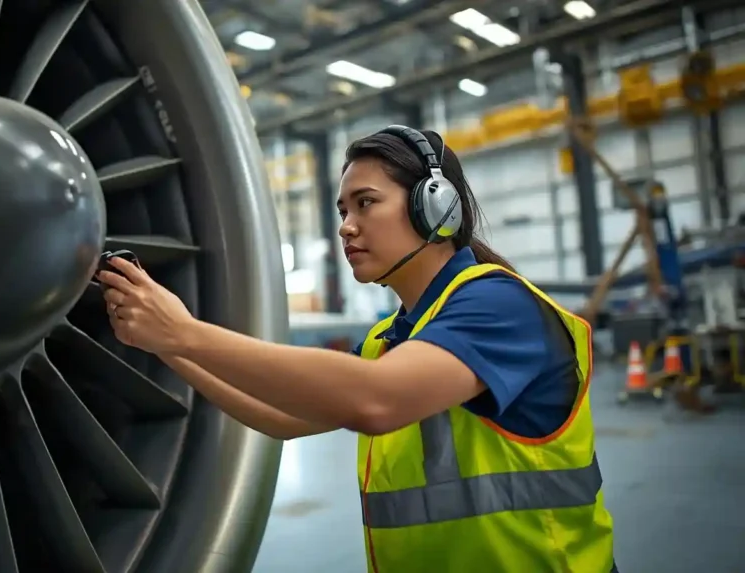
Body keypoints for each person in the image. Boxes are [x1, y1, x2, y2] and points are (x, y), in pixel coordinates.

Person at [96, 125, 616, 572]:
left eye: (366, 203)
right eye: (343, 209)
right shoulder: (395, 335)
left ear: (436, 207)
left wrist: (187, 332)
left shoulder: (499, 303)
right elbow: (279, 418)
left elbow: (377, 400)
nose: (346, 225)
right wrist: (166, 346)